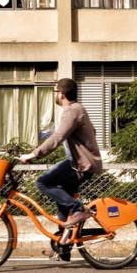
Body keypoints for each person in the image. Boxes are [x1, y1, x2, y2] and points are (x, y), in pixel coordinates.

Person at [19, 78, 103, 234]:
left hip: (81, 165)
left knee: (43, 182)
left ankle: (77, 208)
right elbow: (92, 132)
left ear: (61, 94)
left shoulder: (72, 111)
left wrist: (33, 154)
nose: (55, 95)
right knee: (62, 199)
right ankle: (62, 247)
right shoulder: (78, 109)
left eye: (56, 92)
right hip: (77, 162)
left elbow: (58, 137)